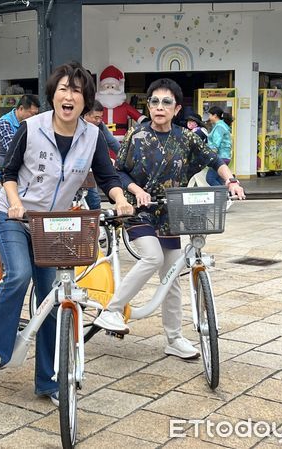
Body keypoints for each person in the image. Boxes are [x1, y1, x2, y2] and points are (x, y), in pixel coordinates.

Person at [0, 62, 133, 405]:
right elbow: (8, 171)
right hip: (13, 215)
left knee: (52, 298)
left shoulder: (92, 136)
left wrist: (119, 200)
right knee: (20, 276)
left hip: (51, 223)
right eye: (63, 89)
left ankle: (47, 380)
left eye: (76, 90)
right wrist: (14, 203)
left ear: (85, 99)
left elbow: (106, 176)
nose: (69, 95)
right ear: (53, 96)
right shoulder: (31, 127)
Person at [93, 78, 245, 360]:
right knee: (152, 257)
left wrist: (231, 181)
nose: (159, 107)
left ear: (176, 109)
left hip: (170, 214)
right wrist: (135, 190)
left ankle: (174, 339)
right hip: (139, 213)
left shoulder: (186, 138)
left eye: (166, 102)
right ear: (148, 106)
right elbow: (120, 172)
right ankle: (112, 310)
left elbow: (215, 160)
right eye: (154, 102)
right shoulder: (135, 137)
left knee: (172, 275)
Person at [83, 99, 121, 209]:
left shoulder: (100, 126)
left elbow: (113, 143)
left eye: (100, 117)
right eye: (96, 117)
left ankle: (95, 224)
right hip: (73, 168)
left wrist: (125, 157)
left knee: (94, 201)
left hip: (90, 168)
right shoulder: (75, 125)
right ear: (85, 115)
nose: (99, 120)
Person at [0, 94, 40, 169]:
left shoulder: (29, 123)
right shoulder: (4, 123)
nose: (35, 117)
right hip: (3, 173)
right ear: (21, 108)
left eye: (36, 114)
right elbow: (14, 151)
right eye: (32, 113)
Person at [205, 106, 233, 186]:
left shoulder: (219, 127)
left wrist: (210, 156)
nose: (209, 117)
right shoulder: (221, 125)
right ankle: (226, 194)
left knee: (210, 178)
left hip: (220, 157)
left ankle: (223, 195)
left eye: (210, 115)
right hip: (225, 156)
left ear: (215, 115)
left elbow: (215, 144)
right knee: (219, 179)